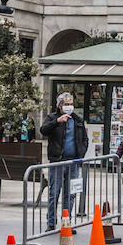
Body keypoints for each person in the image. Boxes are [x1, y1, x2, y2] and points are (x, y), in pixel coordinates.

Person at [39, 92, 87, 231]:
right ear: (60, 105)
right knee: (54, 193)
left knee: (70, 194)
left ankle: (67, 222)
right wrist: (57, 122)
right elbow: (43, 130)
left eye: (71, 104)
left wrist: (81, 153)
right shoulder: (52, 118)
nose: (69, 107)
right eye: (66, 104)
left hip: (73, 163)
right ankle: (51, 223)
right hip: (58, 162)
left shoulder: (77, 120)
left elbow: (84, 138)